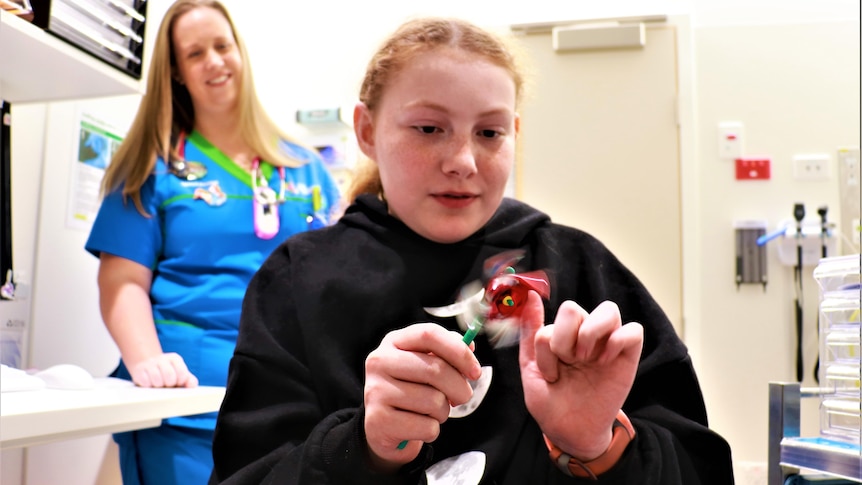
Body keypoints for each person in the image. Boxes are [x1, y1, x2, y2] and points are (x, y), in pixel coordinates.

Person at [209, 17, 734, 484]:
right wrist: (364, 448)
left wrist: (598, 446)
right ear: (367, 131)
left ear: (515, 135)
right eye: (429, 128)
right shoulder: (299, 280)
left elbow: (701, 466)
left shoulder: (579, 269)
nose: (463, 159)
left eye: (489, 132)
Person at [84, 1, 340, 484]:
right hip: (186, 401)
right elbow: (121, 283)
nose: (215, 61)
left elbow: (335, 284)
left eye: (222, 46)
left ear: (240, 52)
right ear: (177, 73)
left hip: (293, 405)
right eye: (195, 53)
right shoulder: (149, 167)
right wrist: (146, 361)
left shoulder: (306, 169)